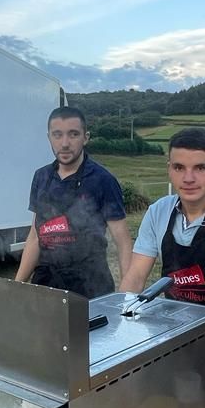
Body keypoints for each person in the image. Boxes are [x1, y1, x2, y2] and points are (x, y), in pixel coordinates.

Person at [120, 127, 205, 379]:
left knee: (200, 395)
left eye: (200, 168)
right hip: (171, 323)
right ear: (169, 169)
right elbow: (135, 276)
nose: (188, 178)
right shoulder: (158, 211)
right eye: (179, 167)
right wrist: (120, 327)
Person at [15, 106, 132, 299]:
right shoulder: (41, 177)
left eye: (73, 134)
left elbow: (123, 241)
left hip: (91, 286)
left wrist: (127, 296)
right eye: (57, 135)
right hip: (46, 285)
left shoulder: (103, 180)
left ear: (85, 137)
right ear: (49, 137)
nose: (65, 143)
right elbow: (35, 237)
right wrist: (16, 286)